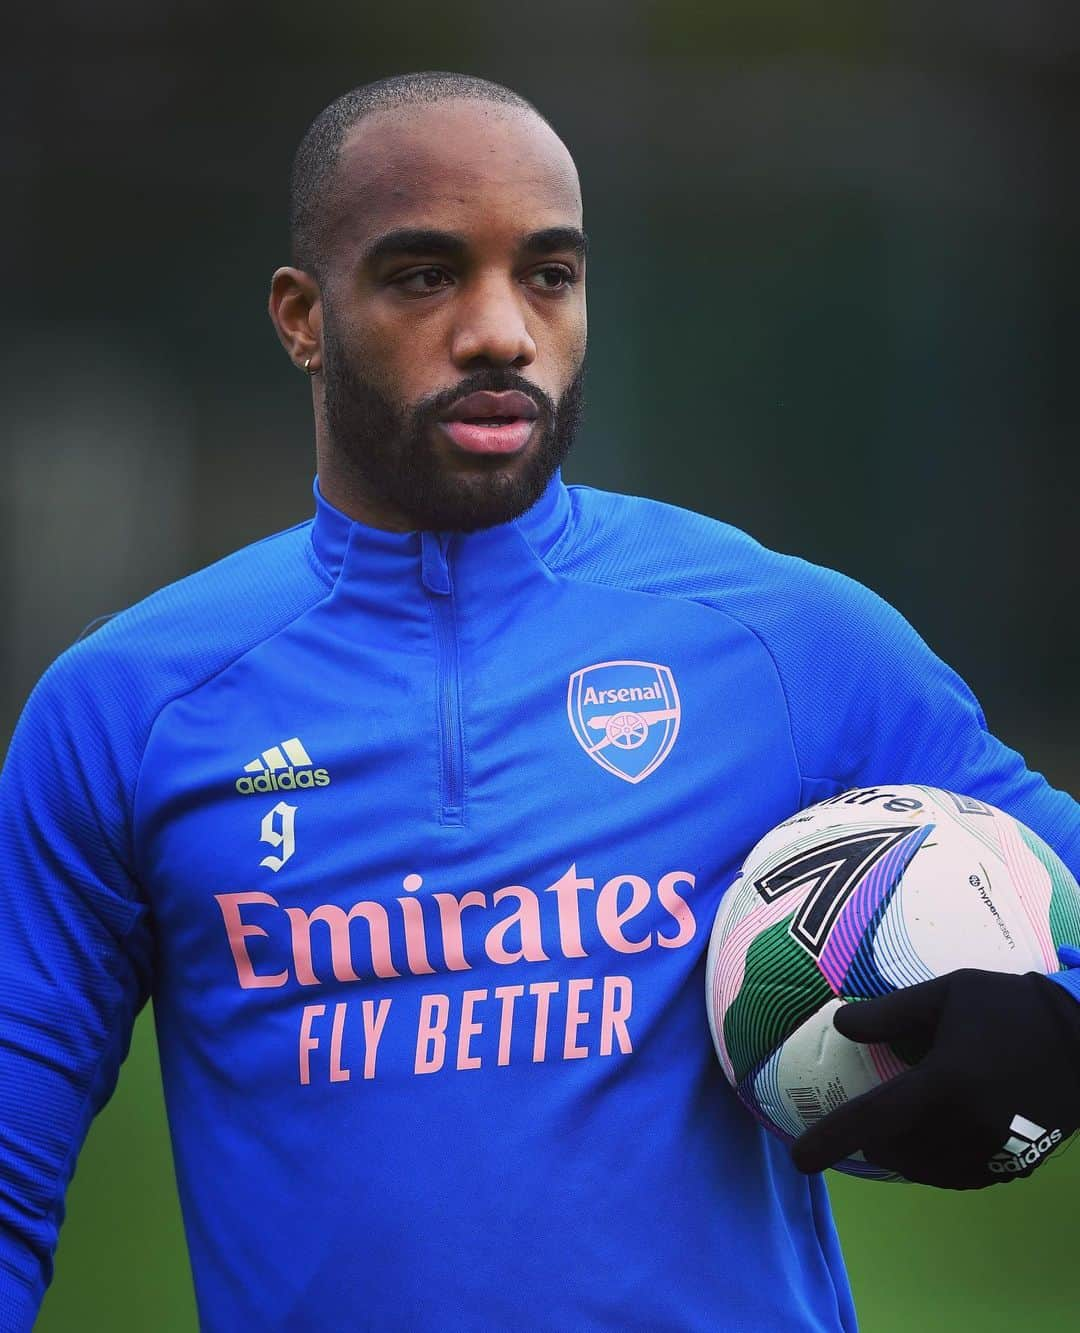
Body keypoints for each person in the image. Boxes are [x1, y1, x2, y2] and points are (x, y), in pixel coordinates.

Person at [0, 71, 1077, 1333]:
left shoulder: (788, 641)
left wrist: (1054, 1022)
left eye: (549, 275)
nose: (501, 331)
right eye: (424, 275)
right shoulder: (129, 708)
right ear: (303, 316)